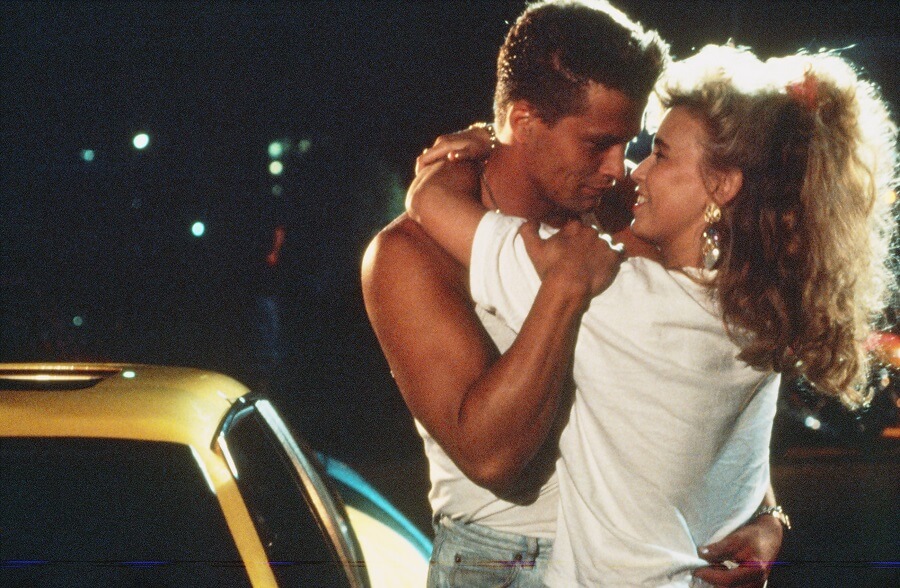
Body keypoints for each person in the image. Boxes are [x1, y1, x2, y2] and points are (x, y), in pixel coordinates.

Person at [406, 44, 897, 586]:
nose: (633, 170)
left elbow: (429, 202)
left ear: (722, 185)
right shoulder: (763, 311)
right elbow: (735, 465)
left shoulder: (613, 300)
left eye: (659, 155)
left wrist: (480, 146)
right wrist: (770, 518)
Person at [363, 2, 784, 586]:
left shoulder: (627, 217)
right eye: (597, 144)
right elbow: (494, 459)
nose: (619, 168)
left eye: (629, 143)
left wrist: (765, 515)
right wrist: (563, 289)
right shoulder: (411, 254)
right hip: (506, 561)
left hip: (648, 556)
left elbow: (710, 387)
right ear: (523, 121)